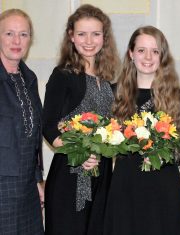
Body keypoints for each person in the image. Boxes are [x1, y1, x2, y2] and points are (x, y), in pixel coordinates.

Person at [104, 25, 180, 235]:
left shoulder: (176, 97)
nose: (148, 57)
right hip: (125, 187)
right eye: (141, 50)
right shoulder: (113, 93)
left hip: (162, 189)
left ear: (163, 57)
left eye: (155, 51)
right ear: (131, 53)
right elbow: (104, 143)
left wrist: (158, 152)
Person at [42, 4, 120, 235]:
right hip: (69, 174)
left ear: (104, 37)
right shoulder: (62, 75)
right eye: (82, 33)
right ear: (71, 36)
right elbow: (48, 127)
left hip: (102, 174)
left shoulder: (108, 80)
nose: (89, 40)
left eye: (95, 34)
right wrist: (81, 154)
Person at [0, 9, 44, 234]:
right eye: (9, 34)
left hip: (28, 188)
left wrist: (38, 179)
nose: (16, 41)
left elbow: (35, 136)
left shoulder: (30, 78)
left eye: (23, 34)